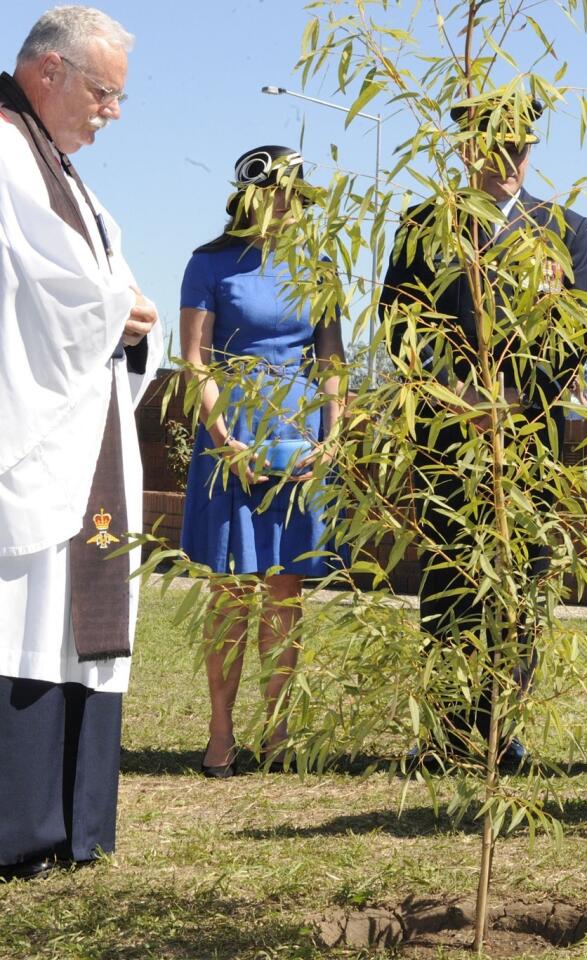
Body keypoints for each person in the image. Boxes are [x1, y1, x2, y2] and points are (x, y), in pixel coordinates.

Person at [382, 96, 587, 770]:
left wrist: (512, 395)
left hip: (530, 439)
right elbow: (398, 324)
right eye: (494, 147)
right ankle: (445, 732)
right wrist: (457, 391)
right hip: (449, 436)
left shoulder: (567, 227)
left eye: (521, 147)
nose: (509, 161)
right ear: (465, 149)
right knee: (450, 579)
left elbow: (582, 333)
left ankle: (500, 727)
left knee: (522, 584)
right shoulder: (426, 222)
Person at [0, 6, 162, 881]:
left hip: (86, 422)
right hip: (25, 427)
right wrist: (113, 310)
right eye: (105, 92)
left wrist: (131, 319)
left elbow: (100, 284)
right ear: (48, 73)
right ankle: (20, 829)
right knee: (23, 622)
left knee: (76, 622)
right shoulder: (3, 156)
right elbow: (34, 294)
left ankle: (74, 824)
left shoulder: (68, 178)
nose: (114, 111)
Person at [178, 145, 346, 777]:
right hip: (233, 430)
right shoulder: (209, 263)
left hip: (298, 433)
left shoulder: (319, 268)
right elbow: (196, 358)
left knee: (284, 589)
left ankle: (277, 733)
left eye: (295, 196)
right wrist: (225, 443)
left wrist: (331, 438)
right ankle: (220, 734)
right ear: (249, 195)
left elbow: (330, 359)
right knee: (230, 589)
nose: (286, 205)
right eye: (276, 193)